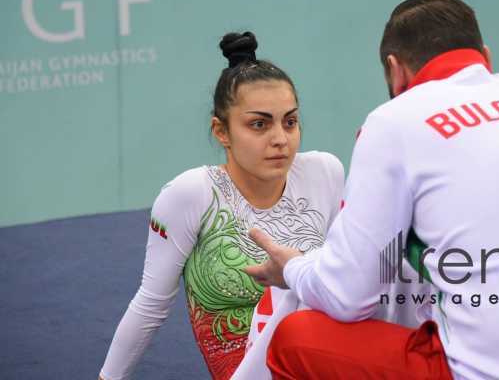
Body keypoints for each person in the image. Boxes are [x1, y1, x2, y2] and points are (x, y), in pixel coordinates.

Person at [244, 0, 499, 379]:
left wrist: (293, 268)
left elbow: (348, 295)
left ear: (395, 69)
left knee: (297, 340)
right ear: (485, 58)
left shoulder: (395, 121)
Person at [98, 32, 344, 380]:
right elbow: (151, 304)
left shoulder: (325, 172)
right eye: (259, 124)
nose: (280, 138)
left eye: (289, 121)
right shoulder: (191, 194)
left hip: (323, 358)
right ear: (222, 131)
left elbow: (343, 278)